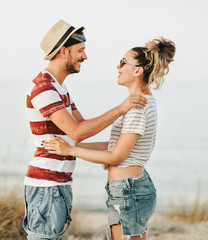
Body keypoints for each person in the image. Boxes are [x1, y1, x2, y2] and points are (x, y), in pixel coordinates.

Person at [23, 19, 148, 240]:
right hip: (46, 184)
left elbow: (82, 129)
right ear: (63, 51)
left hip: (59, 184)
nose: (85, 56)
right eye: (80, 50)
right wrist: (122, 107)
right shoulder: (44, 88)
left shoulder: (60, 88)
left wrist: (119, 146)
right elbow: (77, 132)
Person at [42, 37, 176, 240]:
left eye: (123, 62)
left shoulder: (137, 107)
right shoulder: (140, 102)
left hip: (129, 191)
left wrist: (71, 151)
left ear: (138, 71)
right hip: (129, 189)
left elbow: (116, 157)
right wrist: (74, 143)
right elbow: (114, 145)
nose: (118, 66)